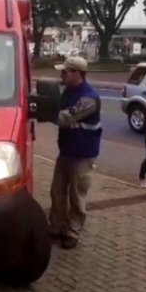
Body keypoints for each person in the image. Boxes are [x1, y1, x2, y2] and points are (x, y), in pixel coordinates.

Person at [49, 57, 102, 250]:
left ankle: (72, 232)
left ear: (77, 73)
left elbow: (65, 118)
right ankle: (56, 227)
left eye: (65, 71)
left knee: (76, 196)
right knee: (57, 192)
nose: (61, 75)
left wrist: (43, 111)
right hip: (66, 152)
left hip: (82, 154)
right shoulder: (68, 91)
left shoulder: (89, 98)